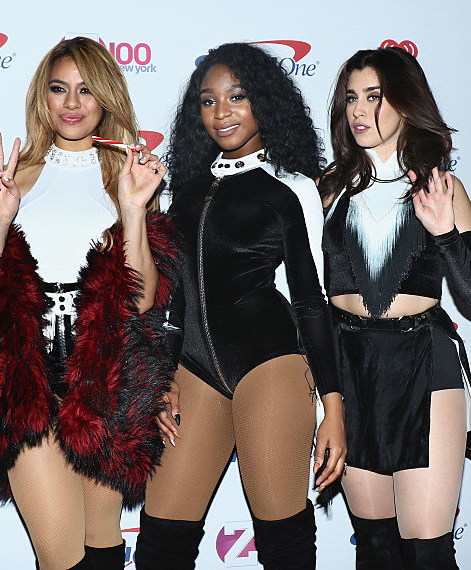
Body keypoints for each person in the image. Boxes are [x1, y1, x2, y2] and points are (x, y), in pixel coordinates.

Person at [0, 36, 179, 570]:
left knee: (101, 548)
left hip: (106, 377)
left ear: (106, 99)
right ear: (41, 98)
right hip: (23, 377)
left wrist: (134, 209)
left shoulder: (126, 176)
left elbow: (142, 298)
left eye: (86, 89)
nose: (72, 103)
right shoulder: (15, 177)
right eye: (59, 89)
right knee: (60, 556)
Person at [134, 42, 346, 570]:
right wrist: (161, 377)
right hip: (193, 372)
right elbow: (171, 300)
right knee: (160, 542)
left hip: (270, 365)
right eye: (208, 101)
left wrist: (335, 406)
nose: (221, 112)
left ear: (264, 103)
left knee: (282, 542)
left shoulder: (290, 189)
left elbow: (311, 302)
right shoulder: (181, 192)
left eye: (236, 97)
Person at [317, 47, 471, 569]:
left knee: (428, 552)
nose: (358, 109)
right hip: (350, 367)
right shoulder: (325, 191)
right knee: (375, 549)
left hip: (424, 363)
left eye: (374, 96)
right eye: (351, 97)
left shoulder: (441, 187)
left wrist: (445, 235)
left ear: (406, 104)